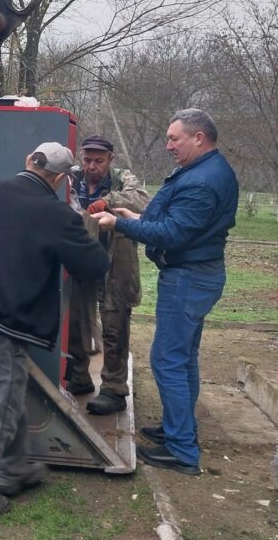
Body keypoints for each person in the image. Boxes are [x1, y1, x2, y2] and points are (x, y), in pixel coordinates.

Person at [0, 142, 110, 521]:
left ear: (28, 161)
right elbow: (94, 265)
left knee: (5, 395)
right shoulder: (56, 214)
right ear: (60, 178)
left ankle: (13, 469)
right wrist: (96, 228)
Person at [94, 109, 237, 476]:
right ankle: (179, 429)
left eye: (174, 138)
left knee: (168, 360)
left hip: (189, 277)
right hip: (195, 272)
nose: (168, 145)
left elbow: (174, 235)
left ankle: (182, 450)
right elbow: (181, 224)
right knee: (183, 357)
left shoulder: (202, 180)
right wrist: (140, 219)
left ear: (199, 138)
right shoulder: (205, 171)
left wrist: (120, 223)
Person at [65, 135, 150, 415]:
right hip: (80, 261)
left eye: (98, 161)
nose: (91, 166)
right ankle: (77, 376)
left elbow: (142, 201)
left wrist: (107, 200)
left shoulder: (123, 179)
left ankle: (114, 388)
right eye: (87, 159)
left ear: (110, 160)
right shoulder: (71, 178)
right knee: (75, 320)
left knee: (114, 324)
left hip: (115, 264)